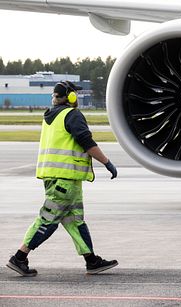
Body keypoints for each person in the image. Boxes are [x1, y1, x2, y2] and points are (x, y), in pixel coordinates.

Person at [6, 81, 119, 277]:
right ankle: (19, 257)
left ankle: (91, 260)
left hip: (59, 178)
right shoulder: (71, 115)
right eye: (75, 93)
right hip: (64, 180)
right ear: (71, 97)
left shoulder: (50, 116)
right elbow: (86, 142)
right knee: (48, 219)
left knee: (75, 220)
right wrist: (106, 162)